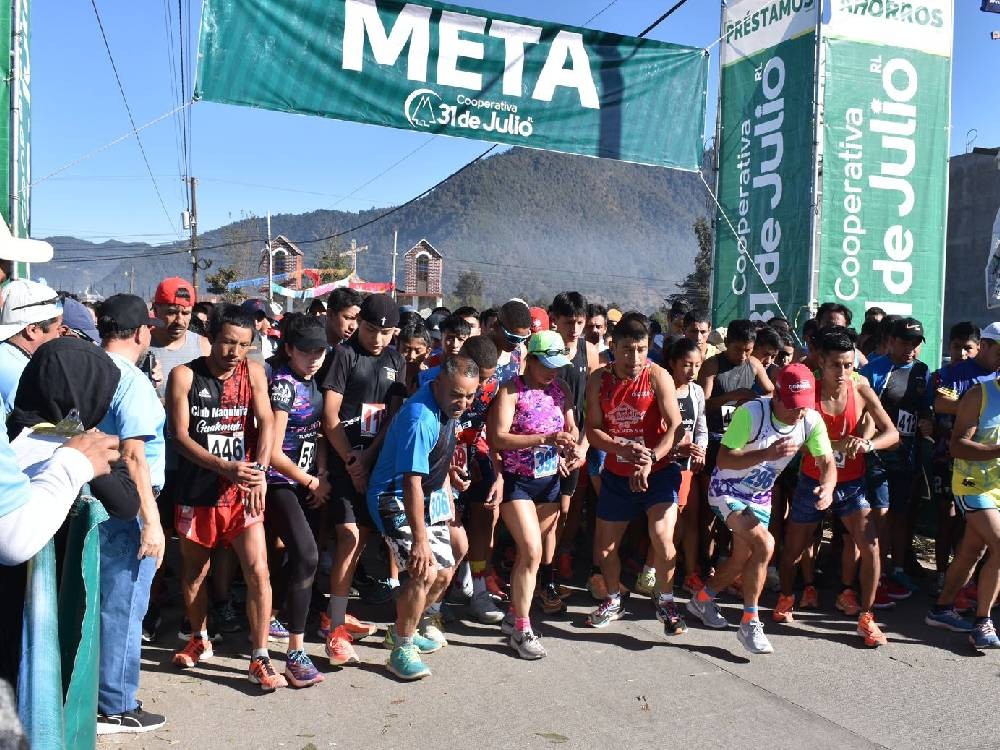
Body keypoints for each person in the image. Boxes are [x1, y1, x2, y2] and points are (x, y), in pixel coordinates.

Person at [166, 304, 284, 691]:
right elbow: (180, 437)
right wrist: (224, 467)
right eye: (228, 342)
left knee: (258, 571)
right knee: (195, 572)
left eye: (244, 345)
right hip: (197, 489)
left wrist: (261, 472)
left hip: (242, 489)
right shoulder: (184, 375)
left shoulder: (254, 373)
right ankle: (199, 637)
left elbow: (266, 420)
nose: (235, 352)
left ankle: (260, 657)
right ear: (212, 338)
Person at [687, 364, 835, 655]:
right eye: (793, 406)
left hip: (759, 496)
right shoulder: (753, 413)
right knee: (766, 545)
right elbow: (725, 460)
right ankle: (749, 622)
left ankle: (702, 599)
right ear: (777, 396)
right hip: (726, 490)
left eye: (803, 407)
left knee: (743, 557)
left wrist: (828, 487)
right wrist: (766, 454)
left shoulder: (811, 420)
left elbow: (827, 461)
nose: (798, 413)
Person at [773, 328, 898, 647]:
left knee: (871, 547)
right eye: (836, 365)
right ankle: (786, 598)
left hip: (852, 485)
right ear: (821, 363)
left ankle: (867, 618)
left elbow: (891, 433)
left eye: (849, 364)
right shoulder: (808, 391)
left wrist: (868, 445)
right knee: (792, 549)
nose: (843, 372)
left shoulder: (860, 386)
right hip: (813, 482)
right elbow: (790, 441)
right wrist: (837, 445)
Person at [367, 356, 480, 679]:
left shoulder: (443, 392)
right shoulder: (420, 418)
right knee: (423, 571)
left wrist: (449, 470)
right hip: (393, 497)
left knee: (444, 572)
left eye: (470, 396)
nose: (463, 403)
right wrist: (419, 540)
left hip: (427, 494)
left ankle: (404, 626)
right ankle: (401, 647)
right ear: (440, 385)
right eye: (457, 394)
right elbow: (409, 482)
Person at [92, 295, 170, 733]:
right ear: (141, 332)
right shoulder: (131, 381)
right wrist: (153, 522)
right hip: (130, 500)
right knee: (124, 606)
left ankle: (98, 694)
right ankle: (116, 704)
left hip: (93, 494)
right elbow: (136, 455)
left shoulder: (88, 369)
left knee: (98, 601)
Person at [584, 314, 686, 636]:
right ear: (613, 347)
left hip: (659, 473)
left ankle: (667, 601)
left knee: (662, 537)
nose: (635, 358)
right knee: (604, 549)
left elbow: (675, 426)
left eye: (641, 349)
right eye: (628, 349)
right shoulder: (599, 380)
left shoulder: (658, 376)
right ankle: (614, 600)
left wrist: (650, 458)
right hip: (616, 473)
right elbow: (593, 429)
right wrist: (619, 449)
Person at [320, 294, 405, 665]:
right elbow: (330, 416)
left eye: (386, 332)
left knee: (364, 540)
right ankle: (334, 629)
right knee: (349, 538)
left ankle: (338, 614)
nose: (377, 339)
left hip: (377, 466)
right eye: (371, 329)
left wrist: (369, 460)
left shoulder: (396, 359)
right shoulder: (344, 355)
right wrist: (351, 461)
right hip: (342, 463)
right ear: (359, 324)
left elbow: (392, 416)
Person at [487, 331, 578, 658]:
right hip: (518, 481)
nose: (554, 371)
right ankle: (523, 629)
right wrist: (543, 439)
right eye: (547, 365)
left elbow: (572, 428)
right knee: (530, 550)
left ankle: (514, 614)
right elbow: (498, 438)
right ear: (532, 360)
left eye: (558, 365)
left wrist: (572, 447)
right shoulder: (512, 389)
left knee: (532, 556)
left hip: (550, 480)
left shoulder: (561, 389)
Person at [265, 315, 331, 687]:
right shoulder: (283, 386)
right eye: (306, 351)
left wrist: (320, 474)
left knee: (298, 556)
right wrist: (308, 480)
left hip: (307, 481)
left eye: (319, 351)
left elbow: (317, 433)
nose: (314, 358)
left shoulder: (314, 381)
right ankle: (295, 652)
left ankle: (274, 613)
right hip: (279, 482)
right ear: (288, 348)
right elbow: (272, 452)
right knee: (306, 555)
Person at [464, 300, 532, 624]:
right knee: (449, 524)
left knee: (482, 519)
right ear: (494, 326)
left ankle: (477, 588)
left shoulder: (517, 356)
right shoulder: (474, 351)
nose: (516, 345)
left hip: (485, 447)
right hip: (452, 443)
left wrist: (499, 459)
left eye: (522, 339)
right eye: (511, 337)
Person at [925, 373, 1000, 649]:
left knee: (973, 549)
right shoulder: (980, 395)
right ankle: (983, 623)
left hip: (999, 487)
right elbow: (957, 446)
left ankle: (941, 609)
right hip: (973, 484)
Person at [859, 317, 931, 600]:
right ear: (891, 342)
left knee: (901, 515)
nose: (911, 349)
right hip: (878, 456)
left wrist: (927, 421)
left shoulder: (923, 371)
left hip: (909, 455)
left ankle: (897, 568)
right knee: (881, 514)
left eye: (916, 344)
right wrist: (875, 441)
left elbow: (924, 410)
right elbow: (864, 414)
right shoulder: (874, 370)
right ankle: (879, 573)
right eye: (905, 342)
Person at [929, 322, 998, 596]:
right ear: (986, 346)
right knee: (949, 518)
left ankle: (960, 593)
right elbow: (940, 402)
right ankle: (941, 574)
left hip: (990, 473)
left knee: (974, 539)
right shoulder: (958, 372)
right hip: (951, 457)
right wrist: (976, 405)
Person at [550, 292, 600, 585]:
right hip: (546, 442)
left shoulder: (590, 351)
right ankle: (543, 567)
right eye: (569, 322)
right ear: (555, 320)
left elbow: (595, 405)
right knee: (547, 511)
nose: (575, 329)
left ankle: (562, 558)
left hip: (579, 440)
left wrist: (583, 445)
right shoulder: (541, 348)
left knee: (569, 508)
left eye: (579, 322)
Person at [661, 338, 708, 596]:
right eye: (686, 365)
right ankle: (657, 572)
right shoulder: (661, 388)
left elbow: (700, 426)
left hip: (687, 465)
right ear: (672, 363)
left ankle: (691, 573)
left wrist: (701, 449)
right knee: (668, 524)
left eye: (697, 365)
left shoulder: (696, 391)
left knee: (690, 518)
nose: (691, 371)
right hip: (663, 465)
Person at [0, 279, 63, 414]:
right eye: (57, 329)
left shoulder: (6, 353)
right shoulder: (22, 377)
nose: (59, 336)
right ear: (33, 330)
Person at [149, 277, 210, 400]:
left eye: (186, 313)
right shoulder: (140, 345)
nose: (180, 321)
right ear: (155, 310)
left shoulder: (204, 347)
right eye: (171, 312)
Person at [398, 321, 432, 393]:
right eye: (406, 350)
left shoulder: (431, 379)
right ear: (397, 348)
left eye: (418, 351)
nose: (411, 356)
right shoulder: (388, 375)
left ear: (427, 352)